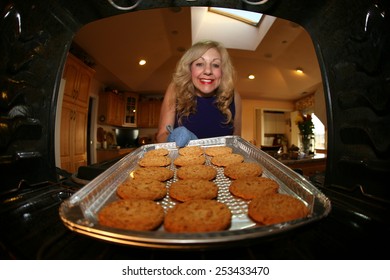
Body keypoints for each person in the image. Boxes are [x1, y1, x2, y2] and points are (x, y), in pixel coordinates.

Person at [156, 40, 242, 146]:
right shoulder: (176, 90)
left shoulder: (233, 96)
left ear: (223, 70)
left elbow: (237, 140)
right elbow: (161, 135)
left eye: (215, 65)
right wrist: (170, 138)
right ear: (189, 68)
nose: (208, 71)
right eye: (200, 64)